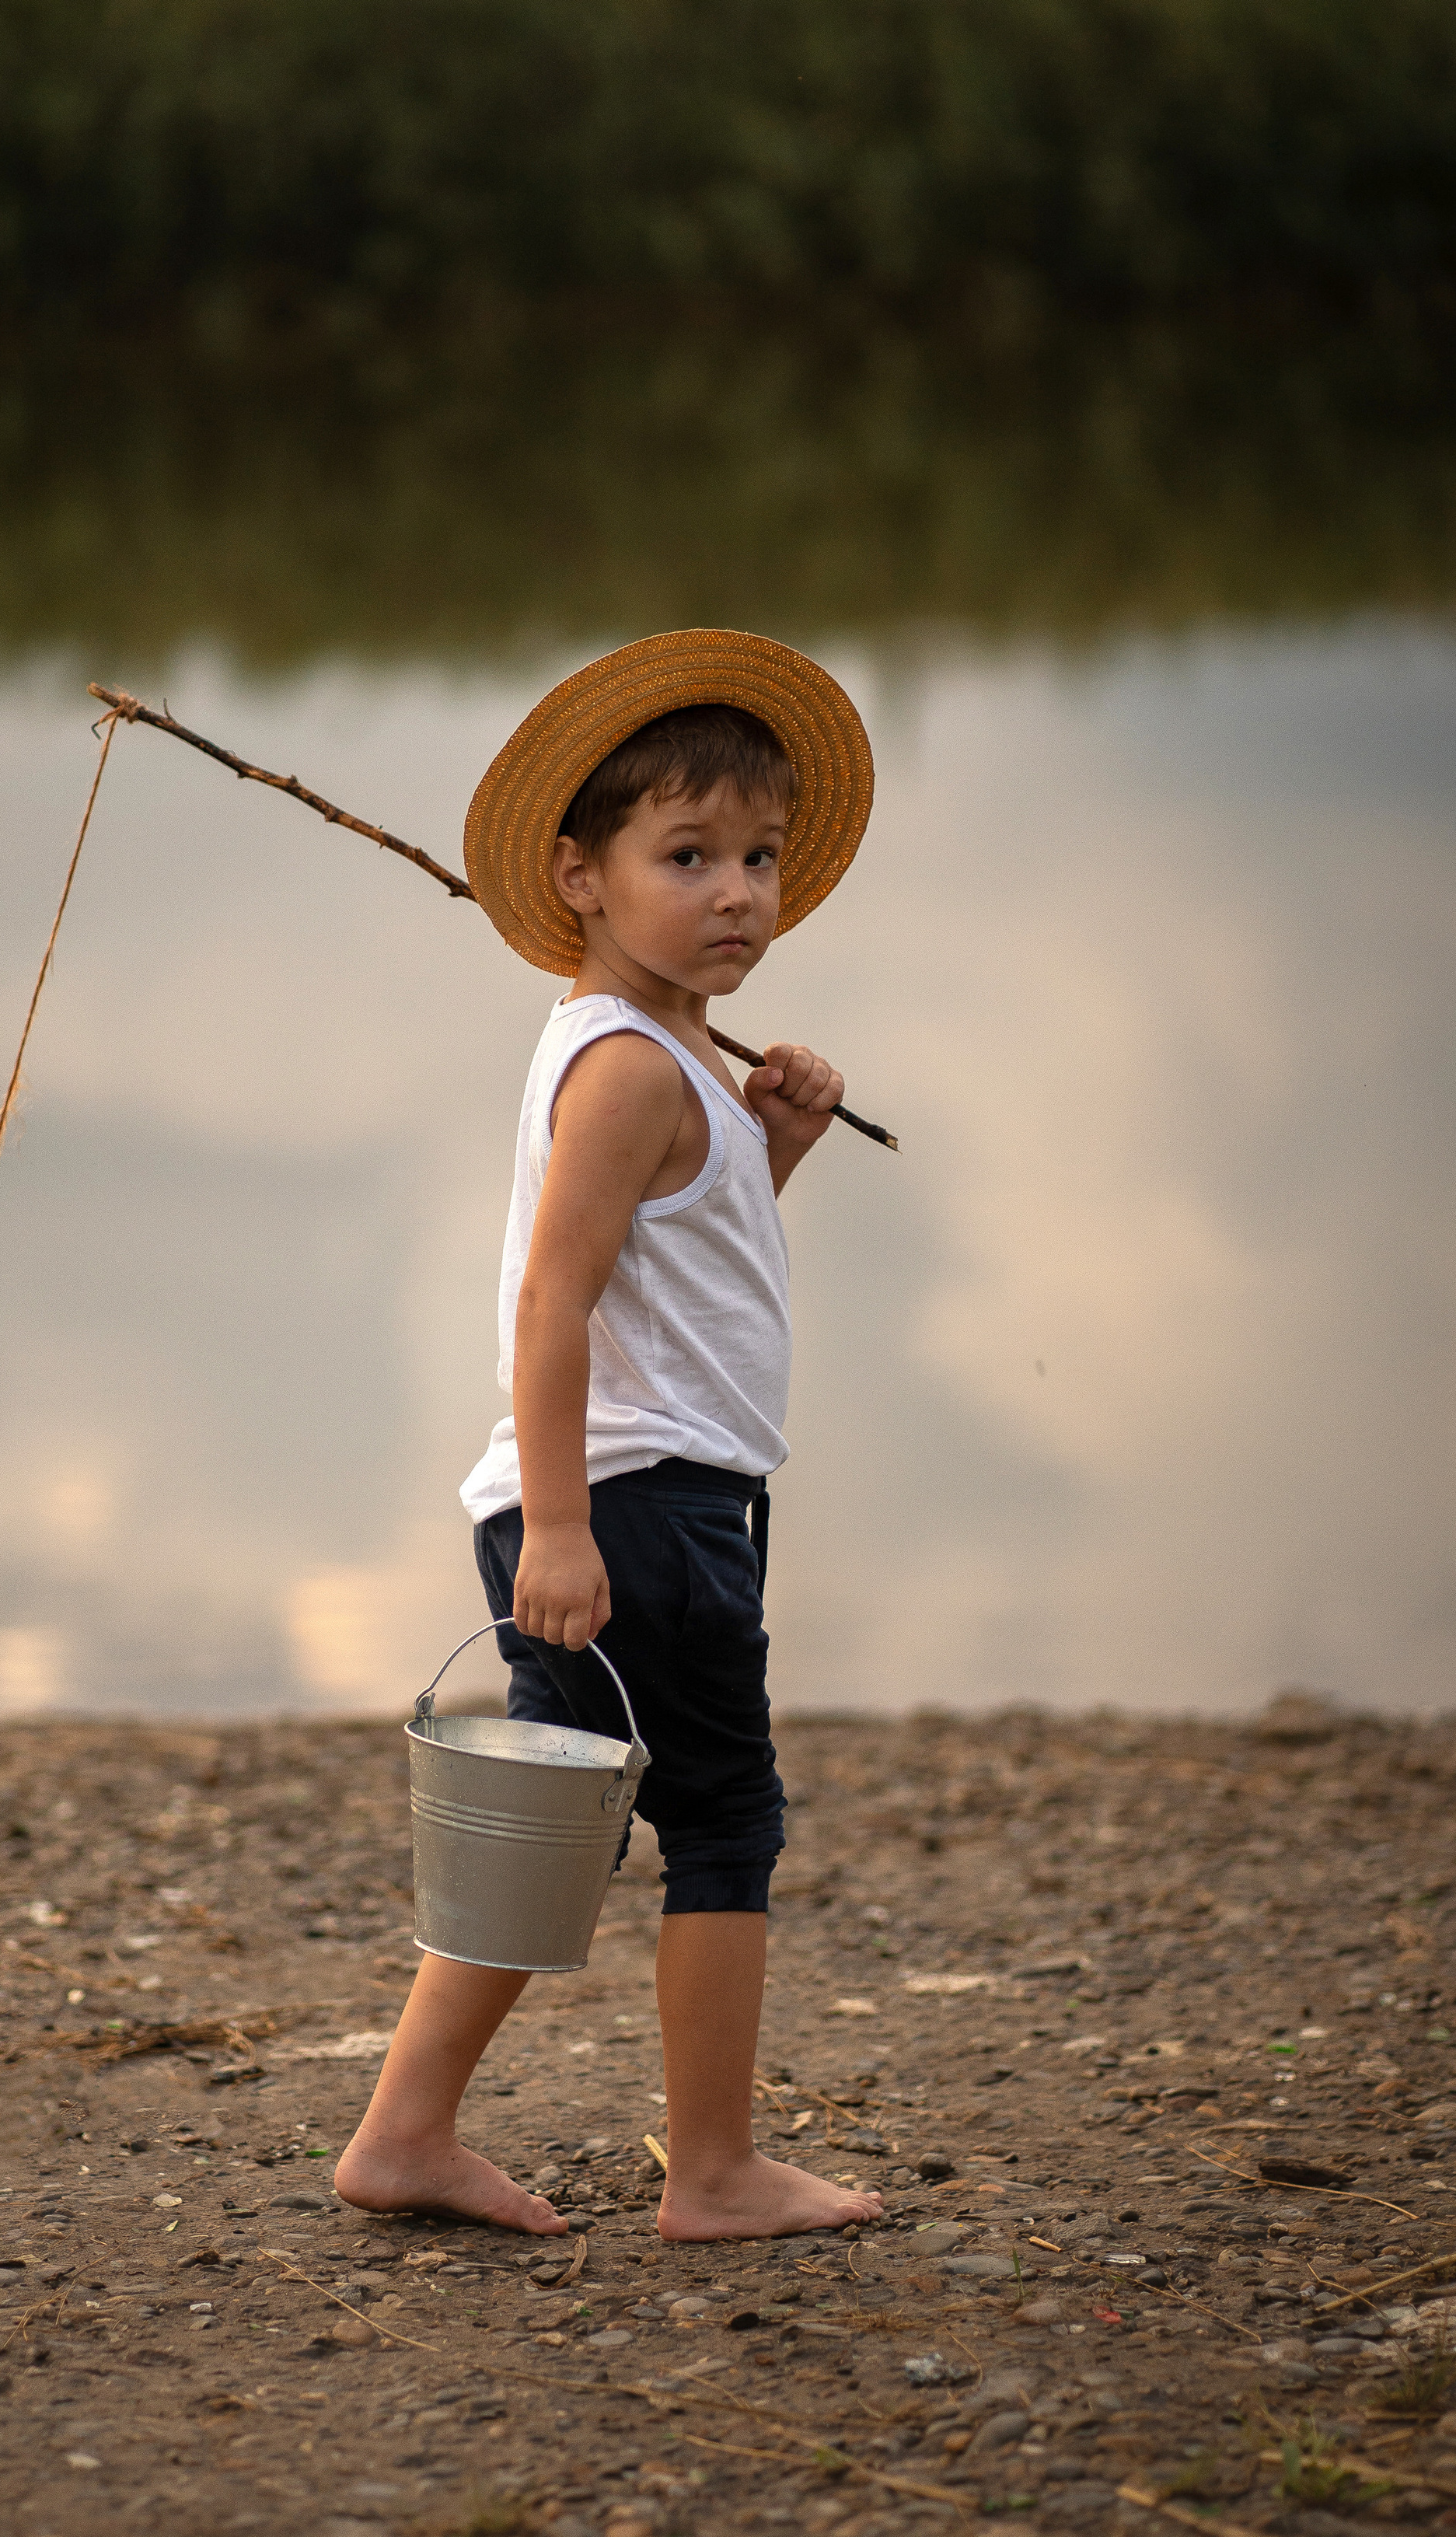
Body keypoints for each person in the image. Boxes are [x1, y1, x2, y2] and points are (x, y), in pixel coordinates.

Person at [337, 630, 885, 2242]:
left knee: (554, 1815)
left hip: (635, 1492)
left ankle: (404, 2133)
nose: (736, 893)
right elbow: (549, 1306)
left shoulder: (656, 1065)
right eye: (686, 856)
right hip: (631, 1502)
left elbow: (677, 1274)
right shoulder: (632, 1074)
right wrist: (566, 1527)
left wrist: (770, 1145)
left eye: (759, 858)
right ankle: (711, 2170)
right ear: (578, 876)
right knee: (720, 1817)